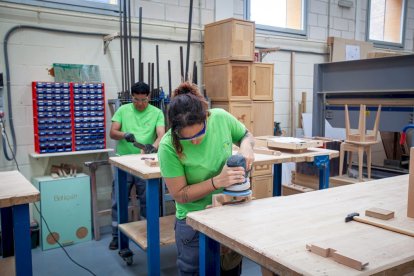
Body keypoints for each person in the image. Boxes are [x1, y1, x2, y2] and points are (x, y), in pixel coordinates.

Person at [158, 82, 255, 275]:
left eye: (200, 134)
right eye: (187, 139)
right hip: (194, 220)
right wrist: (217, 182)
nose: (194, 141)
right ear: (175, 131)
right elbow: (180, 195)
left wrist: (246, 146)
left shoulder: (220, 118)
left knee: (230, 269)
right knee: (194, 270)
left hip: (229, 211)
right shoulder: (168, 146)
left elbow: (246, 134)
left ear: (206, 117)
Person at [109, 81, 165, 250]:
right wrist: (124, 134)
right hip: (124, 162)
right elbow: (112, 132)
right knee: (119, 200)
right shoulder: (123, 110)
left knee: (148, 201)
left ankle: (148, 233)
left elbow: (162, 134)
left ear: (149, 97)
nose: (140, 103)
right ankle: (116, 236)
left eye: (144, 100)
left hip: (145, 163)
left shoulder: (157, 112)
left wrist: (153, 147)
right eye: (136, 100)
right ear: (131, 98)